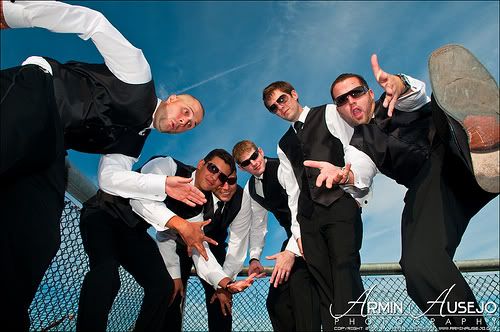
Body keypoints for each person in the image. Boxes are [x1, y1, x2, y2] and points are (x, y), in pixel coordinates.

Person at [0, 1, 209, 330]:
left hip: (53, 149)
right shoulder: (138, 75)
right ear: (173, 98)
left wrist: (161, 185)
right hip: (38, 94)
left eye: (191, 124)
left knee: (38, 238)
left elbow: (110, 179)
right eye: (186, 111)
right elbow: (93, 22)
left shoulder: (134, 142)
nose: (185, 121)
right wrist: (12, 14)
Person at [325, 45, 498, 328]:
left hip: (454, 154)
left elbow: (415, 95)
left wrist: (400, 83)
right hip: (434, 188)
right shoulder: (358, 146)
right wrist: (347, 177)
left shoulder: (393, 100)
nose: (351, 102)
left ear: (370, 93)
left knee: (440, 111)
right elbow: (361, 172)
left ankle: (484, 134)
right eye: (342, 101)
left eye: (356, 93)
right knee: (418, 264)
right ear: (339, 110)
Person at [262, 80, 378, 330]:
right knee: (323, 285)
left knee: (344, 270)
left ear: (294, 94)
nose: (280, 108)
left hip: (339, 205)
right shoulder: (282, 145)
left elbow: (356, 150)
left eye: (281, 99)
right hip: (308, 219)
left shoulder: (327, 112)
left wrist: (355, 196)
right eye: (273, 107)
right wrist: (297, 235)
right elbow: (293, 192)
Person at [132, 149, 257, 332]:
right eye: (215, 171)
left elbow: (236, 243)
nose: (224, 185)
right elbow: (166, 232)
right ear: (201, 165)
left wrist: (226, 283)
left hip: (211, 248)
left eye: (229, 180)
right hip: (175, 243)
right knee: (170, 292)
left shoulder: (239, 200)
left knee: (221, 299)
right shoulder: (186, 184)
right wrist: (175, 275)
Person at [232, 140, 321, 332]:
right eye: (247, 162)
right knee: (276, 303)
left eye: (254, 156)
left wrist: (292, 251)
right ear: (242, 168)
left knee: (302, 296)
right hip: (292, 239)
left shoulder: (282, 169)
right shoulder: (251, 189)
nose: (254, 163)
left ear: (261, 151)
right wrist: (255, 256)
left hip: (312, 233)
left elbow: (300, 208)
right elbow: (258, 224)